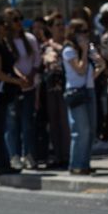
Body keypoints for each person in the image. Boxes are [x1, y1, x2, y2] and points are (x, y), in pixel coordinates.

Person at [0, 16, 28, 175]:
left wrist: (19, 76)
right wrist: (15, 81)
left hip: (6, 90)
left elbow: (10, 65)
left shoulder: (4, 45)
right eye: (2, 25)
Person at [63, 18, 104, 175]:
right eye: (83, 32)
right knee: (81, 130)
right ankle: (75, 165)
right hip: (75, 90)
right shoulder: (69, 50)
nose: (86, 35)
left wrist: (97, 61)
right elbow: (79, 69)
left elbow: (101, 66)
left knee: (91, 129)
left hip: (89, 89)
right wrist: (85, 51)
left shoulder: (88, 47)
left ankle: (85, 163)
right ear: (74, 33)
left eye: (87, 31)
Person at [2, 8, 40, 170]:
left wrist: (31, 75)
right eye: (15, 20)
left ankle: (28, 154)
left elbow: (36, 60)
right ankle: (14, 155)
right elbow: (9, 63)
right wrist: (19, 79)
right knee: (12, 124)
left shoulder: (29, 39)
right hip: (13, 86)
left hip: (29, 87)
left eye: (20, 19)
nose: (18, 23)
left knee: (27, 122)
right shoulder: (5, 41)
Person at [40, 13, 70, 168]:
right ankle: (58, 155)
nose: (61, 28)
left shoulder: (68, 45)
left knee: (66, 121)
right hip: (51, 87)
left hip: (66, 85)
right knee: (54, 121)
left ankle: (67, 154)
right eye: (57, 25)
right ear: (50, 28)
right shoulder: (45, 46)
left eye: (62, 24)